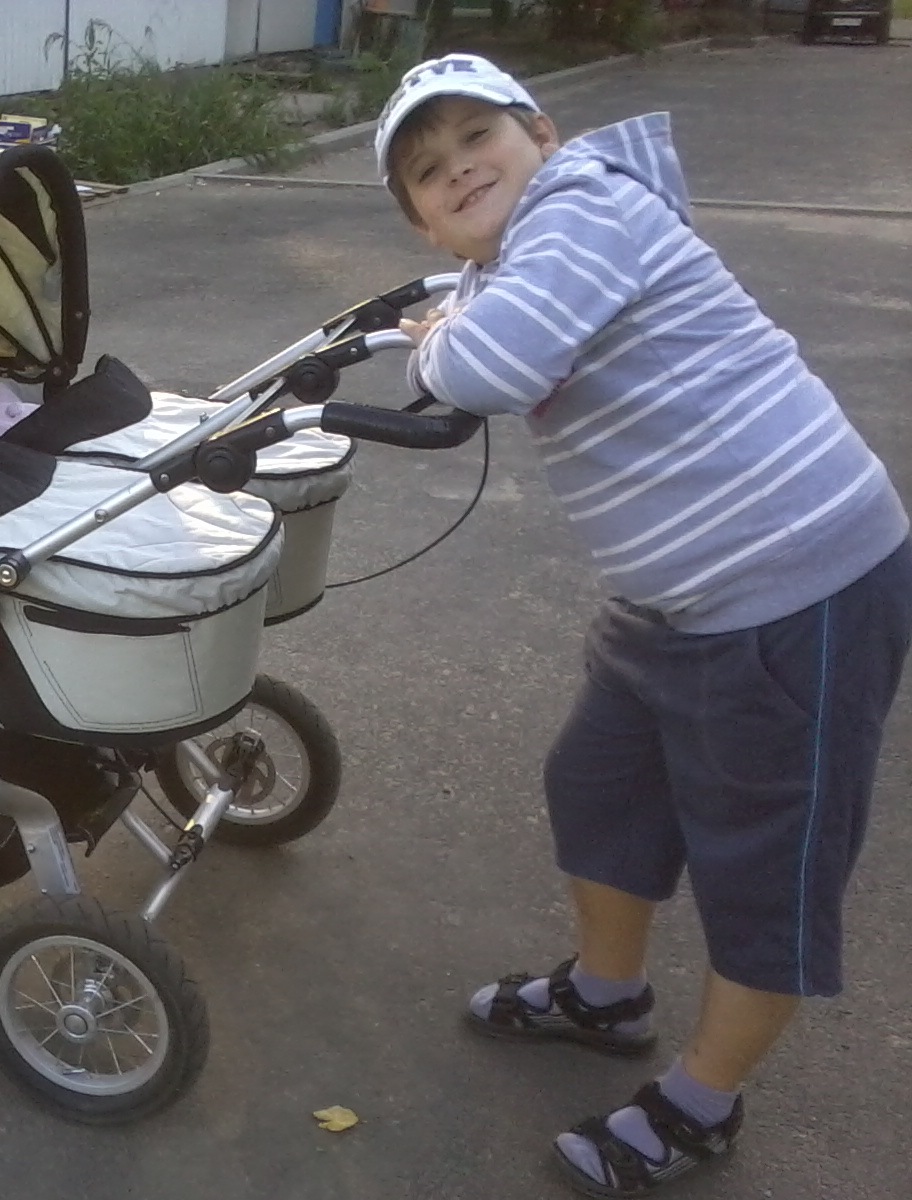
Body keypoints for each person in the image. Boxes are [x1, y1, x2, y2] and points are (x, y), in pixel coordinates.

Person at [376, 53, 912, 1196]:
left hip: (795, 586)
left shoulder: (584, 204)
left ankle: (702, 1102)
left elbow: (486, 364)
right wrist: (455, 320)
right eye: (426, 169)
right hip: (674, 601)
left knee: (763, 870)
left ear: (542, 135)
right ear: (424, 223)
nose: (457, 166)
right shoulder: (515, 259)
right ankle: (605, 997)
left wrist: (435, 340)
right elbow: (485, 329)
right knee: (599, 784)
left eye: (477, 136)